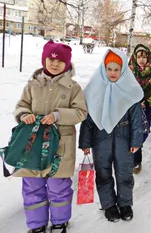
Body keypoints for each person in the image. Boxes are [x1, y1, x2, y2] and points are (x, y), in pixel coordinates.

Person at [14, 40, 87, 233]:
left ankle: (59, 222)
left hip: (60, 146)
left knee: (58, 186)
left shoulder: (73, 88)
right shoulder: (32, 85)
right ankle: (36, 224)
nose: (54, 64)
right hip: (33, 144)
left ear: (67, 63)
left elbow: (81, 112)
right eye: (50, 59)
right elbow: (21, 105)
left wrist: (58, 115)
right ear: (44, 60)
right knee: (32, 185)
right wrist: (24, 115)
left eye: (60, 61)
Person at [79, 49, 144, 222]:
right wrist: (85, 143)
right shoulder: (95, 89)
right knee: (103, 174)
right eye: (110, 69)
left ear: (123, 70)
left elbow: (137, 120)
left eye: (117, 69)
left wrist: (136, 140)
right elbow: (88, 119)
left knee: (124, 173)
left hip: (124, 139)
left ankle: (125, 204)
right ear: (104, 68)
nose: (113, 73)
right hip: (101, 139)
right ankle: (108, 205)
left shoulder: (130, 90)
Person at [128, 44, 151, 174]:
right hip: (130, 107)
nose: (141, 59)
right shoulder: (128, 72)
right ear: (135, 58)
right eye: (139, 57)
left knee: (142, 132)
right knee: (130, 133)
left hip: (146, 107)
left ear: (148, 57)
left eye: (144, 57)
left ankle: (135, 156)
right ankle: (133, 160)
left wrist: (148, 102)